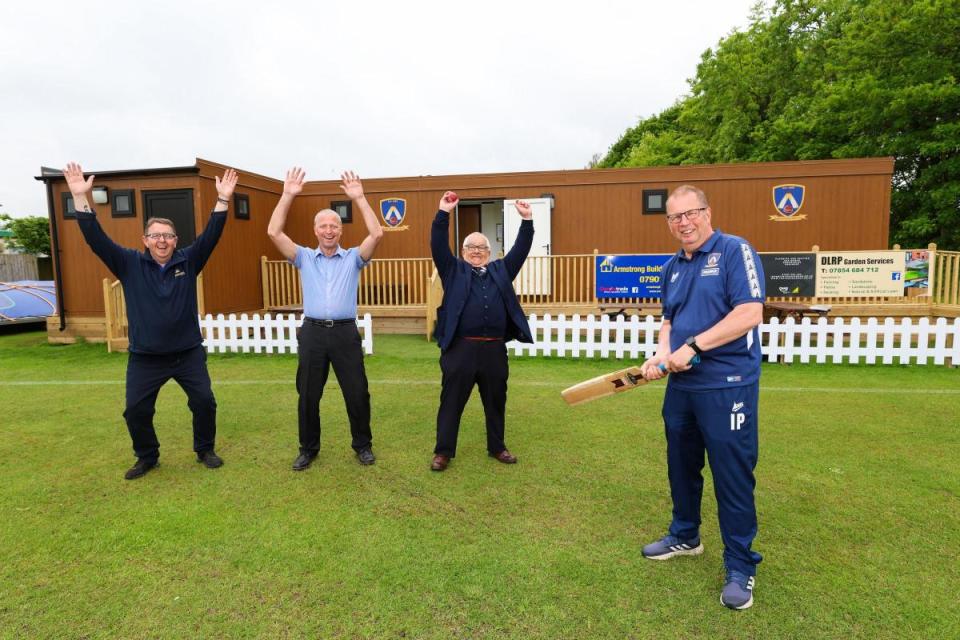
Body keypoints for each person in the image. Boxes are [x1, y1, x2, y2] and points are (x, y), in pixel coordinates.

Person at [63, 161, 237, 480]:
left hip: (187, 354)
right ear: (145, 240)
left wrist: (223, 200)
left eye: (167, 236)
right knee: (137, 411)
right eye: (155, 236)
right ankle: (147, 456)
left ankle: (204, 449)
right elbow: (95, 239)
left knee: (204, 402)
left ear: (175, 239)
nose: (162, 241)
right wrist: (80, 199)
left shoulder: (189, 259)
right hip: (145, 358)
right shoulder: (128, 264)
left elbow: (212, 235)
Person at [639, 185, 765, 610]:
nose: (684, 223)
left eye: (690, 213)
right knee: (681, 465)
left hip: (728, 385)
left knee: (732, 475)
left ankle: (741, 565)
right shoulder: (672, 266)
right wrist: (661, 353)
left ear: (707, 212)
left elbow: (749, 313)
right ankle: (685, 535)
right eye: (675, 217)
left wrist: (693, 348)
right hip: (683, 389)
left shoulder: (734, 251)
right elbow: (668, 321)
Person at [267, 167, 384, 470]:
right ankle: (308, 448)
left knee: (357, 393)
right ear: (315, 230)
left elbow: (377, 233)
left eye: (334, 225)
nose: (329, 230)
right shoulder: (303, 257)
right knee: (308, 394)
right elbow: (274, 232)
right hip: (313, 334)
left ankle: (363, 445)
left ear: (341, 231)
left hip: (345, 334)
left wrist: (359, 197)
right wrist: (288, 194)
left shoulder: (354, 258)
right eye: (323, 226)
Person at [429, 191, 534, 471]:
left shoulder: (502, 270)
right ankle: (443, 452)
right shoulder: (453, 271)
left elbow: (521, 250)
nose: (476, 251)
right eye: (471, 247)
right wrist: (443, 213)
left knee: (495, 401)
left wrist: (527, 221)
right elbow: (438, 244)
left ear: (489, 253)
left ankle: (497, 447)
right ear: (463, 252)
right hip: (460, 350)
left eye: (482, 247)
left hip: (494, 351)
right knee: (451, 403)